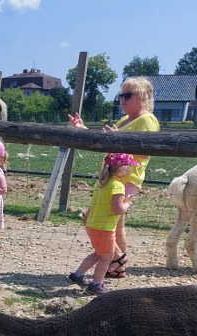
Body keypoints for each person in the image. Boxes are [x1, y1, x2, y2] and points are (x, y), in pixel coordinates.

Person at [68, 77, 159, 277]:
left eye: (128, 95)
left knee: (110, 222)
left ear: (142, 97)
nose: (122, 99)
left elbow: (145, 151)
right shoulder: (124, 120)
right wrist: (84, 130)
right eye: (121, 95)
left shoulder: (147, 120)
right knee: (106, 221)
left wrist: (119, 139)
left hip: (126, 178)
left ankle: (116, 262)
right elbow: (110, 144)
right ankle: (116, 262)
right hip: (111, 178)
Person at [67, 153, 138, 295]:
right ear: (121, 169)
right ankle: (96, 284)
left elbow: (104, 204)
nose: (130, 168)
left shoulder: (100, 184)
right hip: (105, 228)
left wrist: (124, 200)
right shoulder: (117, 185)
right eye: (128, 166)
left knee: (99, 254)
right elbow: (118, 210)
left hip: (93, 225)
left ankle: (77, 275)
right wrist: (129, 202)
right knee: (107, 257)